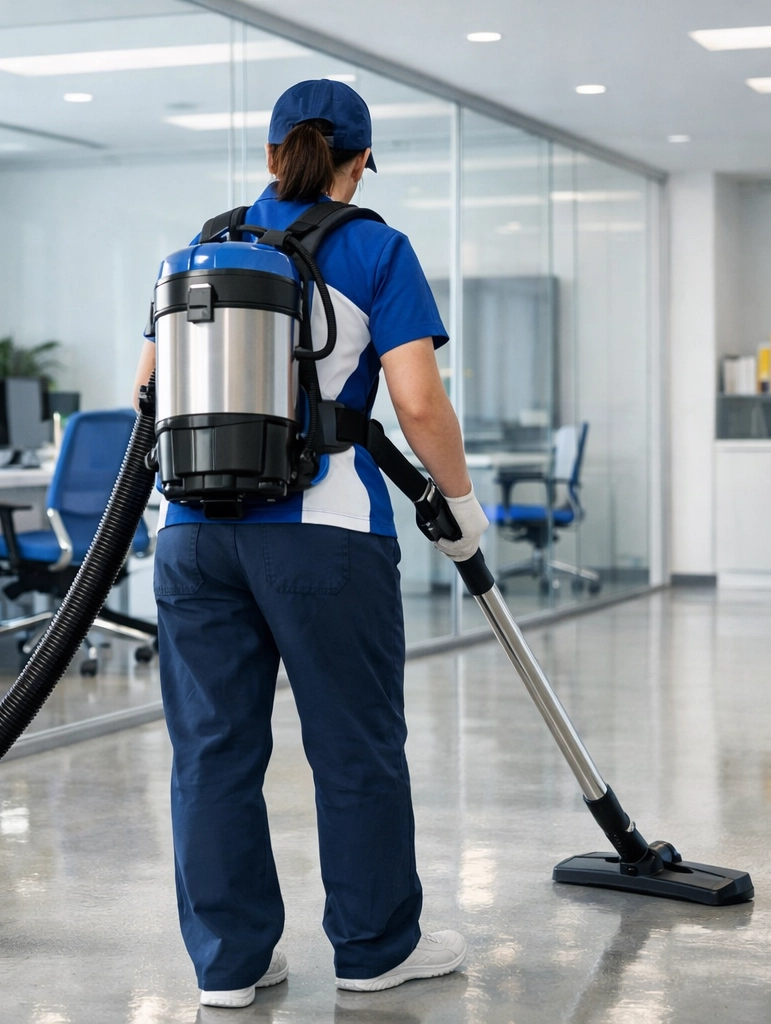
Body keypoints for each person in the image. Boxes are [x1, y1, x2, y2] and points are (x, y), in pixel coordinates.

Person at [133, 79, 488, 1009]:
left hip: (191, 538)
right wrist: (460, 505)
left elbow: (146, 393)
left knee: (211, 752)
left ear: (269, 156)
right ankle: (375, 950)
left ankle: (230, 965)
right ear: (358, 162)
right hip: (321, 536)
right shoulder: (377, 247)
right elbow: (417, 403)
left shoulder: (197, 250)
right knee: (354, 747)